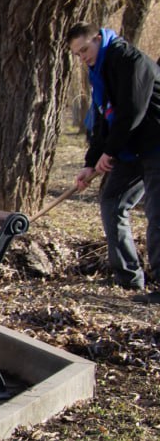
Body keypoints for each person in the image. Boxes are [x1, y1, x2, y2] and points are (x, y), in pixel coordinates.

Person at [69, 24, 160, 303]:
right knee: (112, 201)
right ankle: (128, 278)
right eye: (77, 54)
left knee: (157, 214)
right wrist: (91, 162)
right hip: (130, 149)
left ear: (99, 38)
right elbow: (102, 118)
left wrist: (109, 152)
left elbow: (131, 111)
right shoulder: (99, 72)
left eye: (85, 49)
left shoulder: (131, 60)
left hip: (156, 144)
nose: (83, 57)